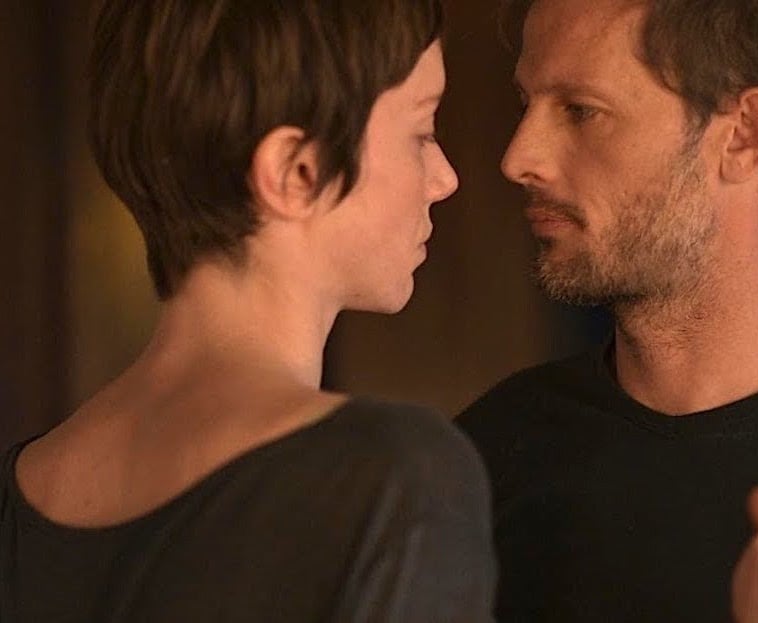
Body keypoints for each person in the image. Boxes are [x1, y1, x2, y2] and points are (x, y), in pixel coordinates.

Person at [0, 1, 496, 621]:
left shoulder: (19, 493)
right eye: (421, 132)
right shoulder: (394, 478)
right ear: (297, 172)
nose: (444, 178)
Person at [456, 0, 758, 621]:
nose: (518, 157)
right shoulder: (483, 456)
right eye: (527, 103)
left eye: (581, 110)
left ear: (746, 134)